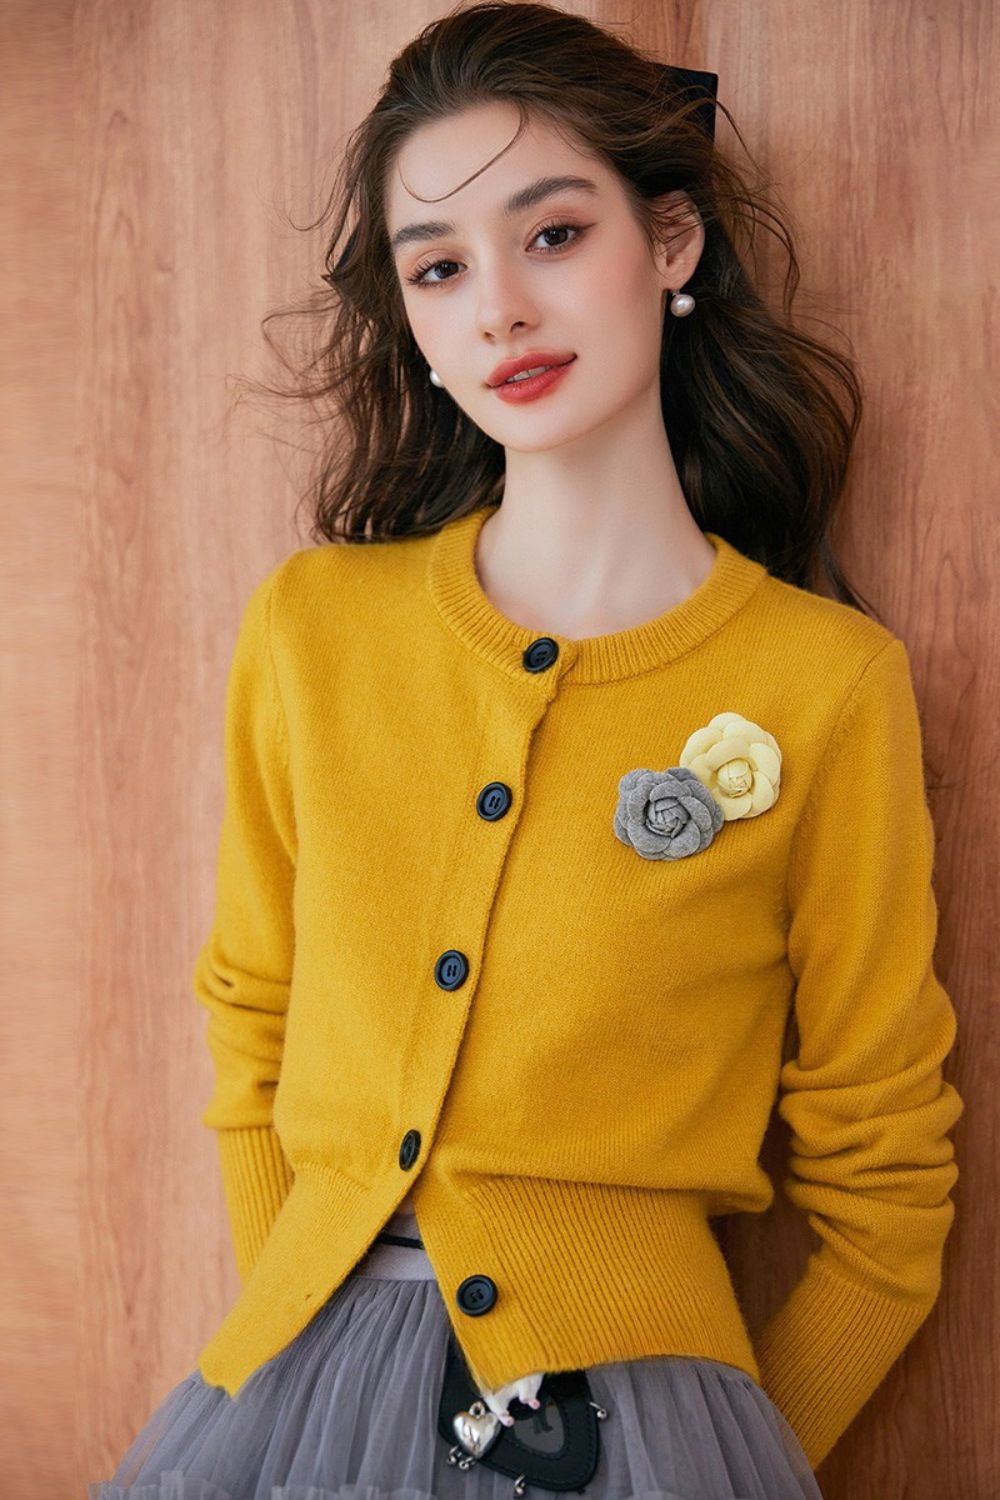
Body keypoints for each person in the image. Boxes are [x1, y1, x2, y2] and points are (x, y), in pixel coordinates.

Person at [89, 4, 963, 1497]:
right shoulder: (317, 627)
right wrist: (302, 1340)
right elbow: (252, 1025)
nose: (496, 307)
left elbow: (888, 1187)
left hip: (652, 1417)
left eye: (550, 235)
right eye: (439, 267)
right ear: (415, 326)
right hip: (296, 1380)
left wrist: (738, 1462)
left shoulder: (822, 687)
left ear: (671, 242)